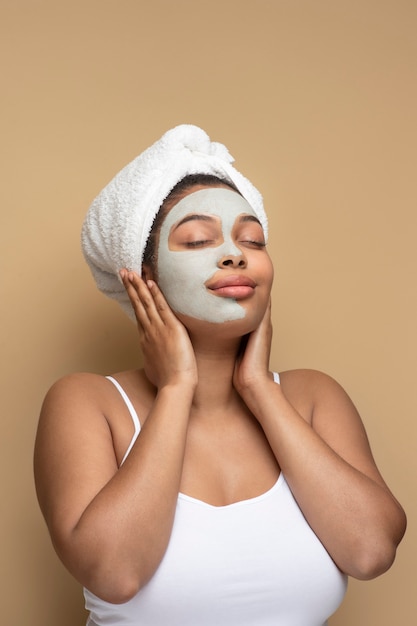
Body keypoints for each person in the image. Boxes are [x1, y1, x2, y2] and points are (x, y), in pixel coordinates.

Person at [34, 124, 406, 626]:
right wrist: (175, 388)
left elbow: (371, 552)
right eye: (196, 240)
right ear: (143, 279)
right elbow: (115, 573)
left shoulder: (314, 396)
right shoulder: (87, 403)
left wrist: (258, 389)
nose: (235, 254)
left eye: (251, 239)